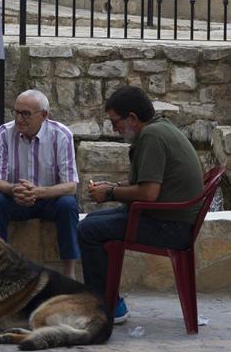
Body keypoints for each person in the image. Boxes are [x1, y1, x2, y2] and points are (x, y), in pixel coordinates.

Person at [80, 86, 204, 324]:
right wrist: (113, 185)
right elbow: (149, 180)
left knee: (87, 231)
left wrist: (109, 193)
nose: (114, 129)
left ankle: (104, 308)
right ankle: (111, 303)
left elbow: (148, 193)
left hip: (171, 228)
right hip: (169, 220)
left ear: (132, 118)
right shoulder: (160, 128)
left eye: (115, 122)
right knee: (92, 221)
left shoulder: (152, 137)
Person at [0, 89, 80, 278]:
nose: (19, 119)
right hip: (17, 198)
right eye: (16, 112)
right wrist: (14, 189)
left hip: (49, 199)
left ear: (44, 115)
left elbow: (71, 185)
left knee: (68, 204)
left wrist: (39, 192)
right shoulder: (4, 133)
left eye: (26, 114)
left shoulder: (61, 135)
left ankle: (69, 273)